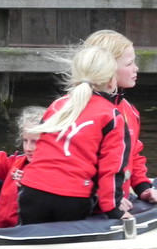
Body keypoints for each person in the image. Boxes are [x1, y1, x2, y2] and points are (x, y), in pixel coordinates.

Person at [18, 45, 131, 225]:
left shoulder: (57, 106)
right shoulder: (112, 116)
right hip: (72, 197)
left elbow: (41, 149)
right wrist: (113, 209)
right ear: (111, 81)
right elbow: (111, 169)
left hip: (32, 190)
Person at [83, 29, 157, 205]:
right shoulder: (82, 110)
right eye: (129, 63)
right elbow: (75, 163)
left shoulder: (129, 110)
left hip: (117, 200)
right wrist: (104, 198)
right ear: (108, 69)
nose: (136, 68)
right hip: (87, 201)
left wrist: (143, 187)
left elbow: (133, 154)